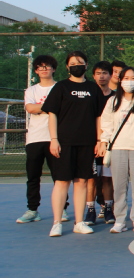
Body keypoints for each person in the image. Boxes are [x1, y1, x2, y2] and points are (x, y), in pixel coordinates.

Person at [42, 51, 102, 237]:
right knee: (61, 182)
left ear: (86, 65)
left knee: (82, 181)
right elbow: (52, 114)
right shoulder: (61, 87)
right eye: (73, 63)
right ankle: (57, 222)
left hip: (87, 143)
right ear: (67, 67)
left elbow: (99, 116)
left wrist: (99, 140)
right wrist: (54, 139)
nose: (77, 65)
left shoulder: (93, 88)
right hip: (64, 142)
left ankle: (79, 222)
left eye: (80, 62)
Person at [98, 67, 134, 234]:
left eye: (132, 78)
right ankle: (120, 220)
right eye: (126, 78)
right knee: (119, 187)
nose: (129, 81)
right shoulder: (113, 101)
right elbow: (106, 124)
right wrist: (103, 142)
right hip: (118, 148)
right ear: (120, 80)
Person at [18, 55, 67, 224]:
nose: (44, 69)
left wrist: (43, 108)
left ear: (54, 69)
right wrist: (52, 107)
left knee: (59, 176)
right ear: (36, 70)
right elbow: (31, 108)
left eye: (47, 66)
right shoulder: (31, 90)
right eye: (40, 67)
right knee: (33, 176)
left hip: (56, 139)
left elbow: (64, 109)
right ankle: (32, 210)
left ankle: (62, 208)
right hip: (35, 138)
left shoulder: (61, 88)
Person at [86, 60, 116, 224]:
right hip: (91, 143)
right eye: (98, 73)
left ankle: (108, 208)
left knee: (107, 178)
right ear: (93, 76)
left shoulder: (115, 97)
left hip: (109, 143)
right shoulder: (89, 95)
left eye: (105, 73)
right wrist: (97, 141)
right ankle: (90, 210)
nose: (101, 76)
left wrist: (105, 141)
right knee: (91, 179)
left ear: (110, 75)